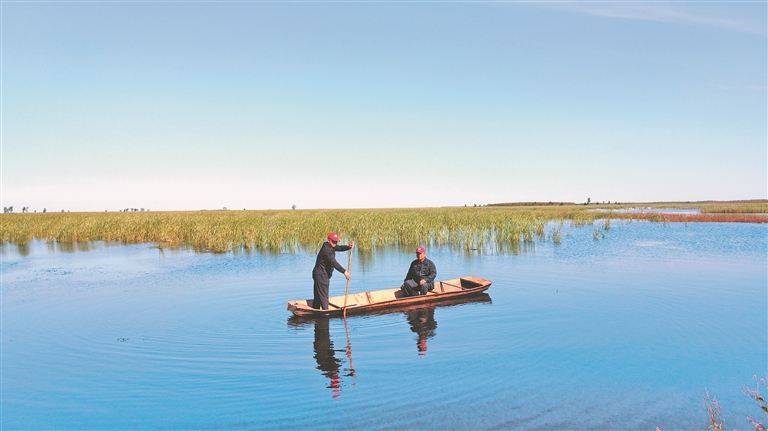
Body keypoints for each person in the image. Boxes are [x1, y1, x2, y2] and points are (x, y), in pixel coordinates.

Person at [312, 232, 354, 310]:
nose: (335, 243)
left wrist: (348, 247)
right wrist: (344, 272)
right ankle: (325, 313)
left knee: (318, 295)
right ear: (329, 240)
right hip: (321, 275)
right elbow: (333, 262)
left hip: (318, 274)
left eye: (336, 241)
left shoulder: (330, 246)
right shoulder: (327, 250)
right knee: (323, 295)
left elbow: (339, 248)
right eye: (333, 241)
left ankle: (316, 312)